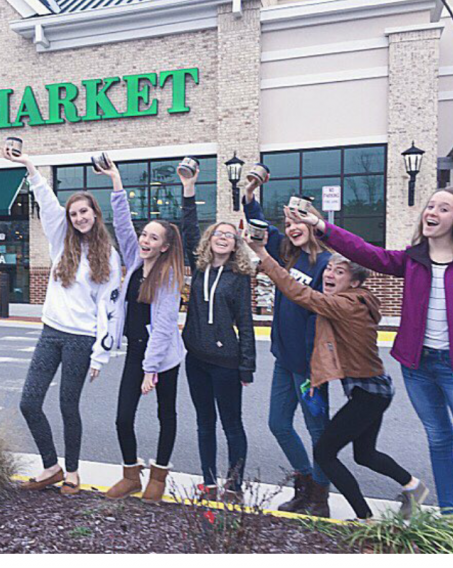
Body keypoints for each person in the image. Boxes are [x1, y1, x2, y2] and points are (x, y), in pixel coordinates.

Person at [288, 187, 453, 515]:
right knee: (438, 439)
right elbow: (365, 252)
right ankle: (447, 514)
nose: (432, 211)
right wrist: (322, 227)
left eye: (444, 208)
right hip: (418, 367)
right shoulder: (413, 259)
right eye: (430, 205)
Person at [246, 229, 428, 521]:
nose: (329, 274)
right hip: (374, 390)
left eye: (339, 271)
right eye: (329, 268)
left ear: (354, 282)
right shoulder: (353, 300)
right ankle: (413, 486)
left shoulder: (346, 305)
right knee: (364, 454)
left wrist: (263, 256)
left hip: (369, 395)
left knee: (325, 453)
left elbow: (298, 293)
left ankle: (364, 516)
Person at [3, 146, 122, 496]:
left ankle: (71, 472)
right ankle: (50, 466)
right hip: (50, 333)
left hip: (81, 339)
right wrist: (29, 166)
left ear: (94, 213)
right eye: (74, 214)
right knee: (29, 402)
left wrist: (101, 354)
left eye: (84, 212)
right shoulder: (60, 242)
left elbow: (110, 309)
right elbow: (47, 202)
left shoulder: (109, 256)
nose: (79, 218)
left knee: (69, 406)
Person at [97, 156, 186, 504]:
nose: (145, 239)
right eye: (144, 234)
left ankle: (159, 476)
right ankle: (131, 475)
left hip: (164, 358)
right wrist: (116, 181)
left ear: (165, 246)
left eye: (153, 237)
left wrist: (152, 369)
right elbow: (121, 223)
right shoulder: (135, 259)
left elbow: (164, 327)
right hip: (136, 350)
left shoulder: (169, 277)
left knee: (167, 416)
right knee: (123, 418)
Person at [243, 178, 332, 516]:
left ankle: (320, 498)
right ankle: (304, 483)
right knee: (278, 423)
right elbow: (259, 223)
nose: (293, 228)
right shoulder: (286, 252)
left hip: (311, 365)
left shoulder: (326, 264)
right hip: (284, 358)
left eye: (300, 221)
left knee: (317, 430)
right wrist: (250, 195)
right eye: (289, 222)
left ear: (314, 222)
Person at [178, 164, 256, 502]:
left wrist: (246, 365)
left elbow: (247, 323)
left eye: (229, 235)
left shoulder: (238, 277)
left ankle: (234, 486)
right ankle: (209, 483)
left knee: (232, 425)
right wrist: (189, 189)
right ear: (210, 240)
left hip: (226, 362)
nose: (222, 237)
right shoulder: (198, 268)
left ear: (235, 244)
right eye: (218, 234)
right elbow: (189, 226)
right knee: (204, 422)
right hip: (196, 359)